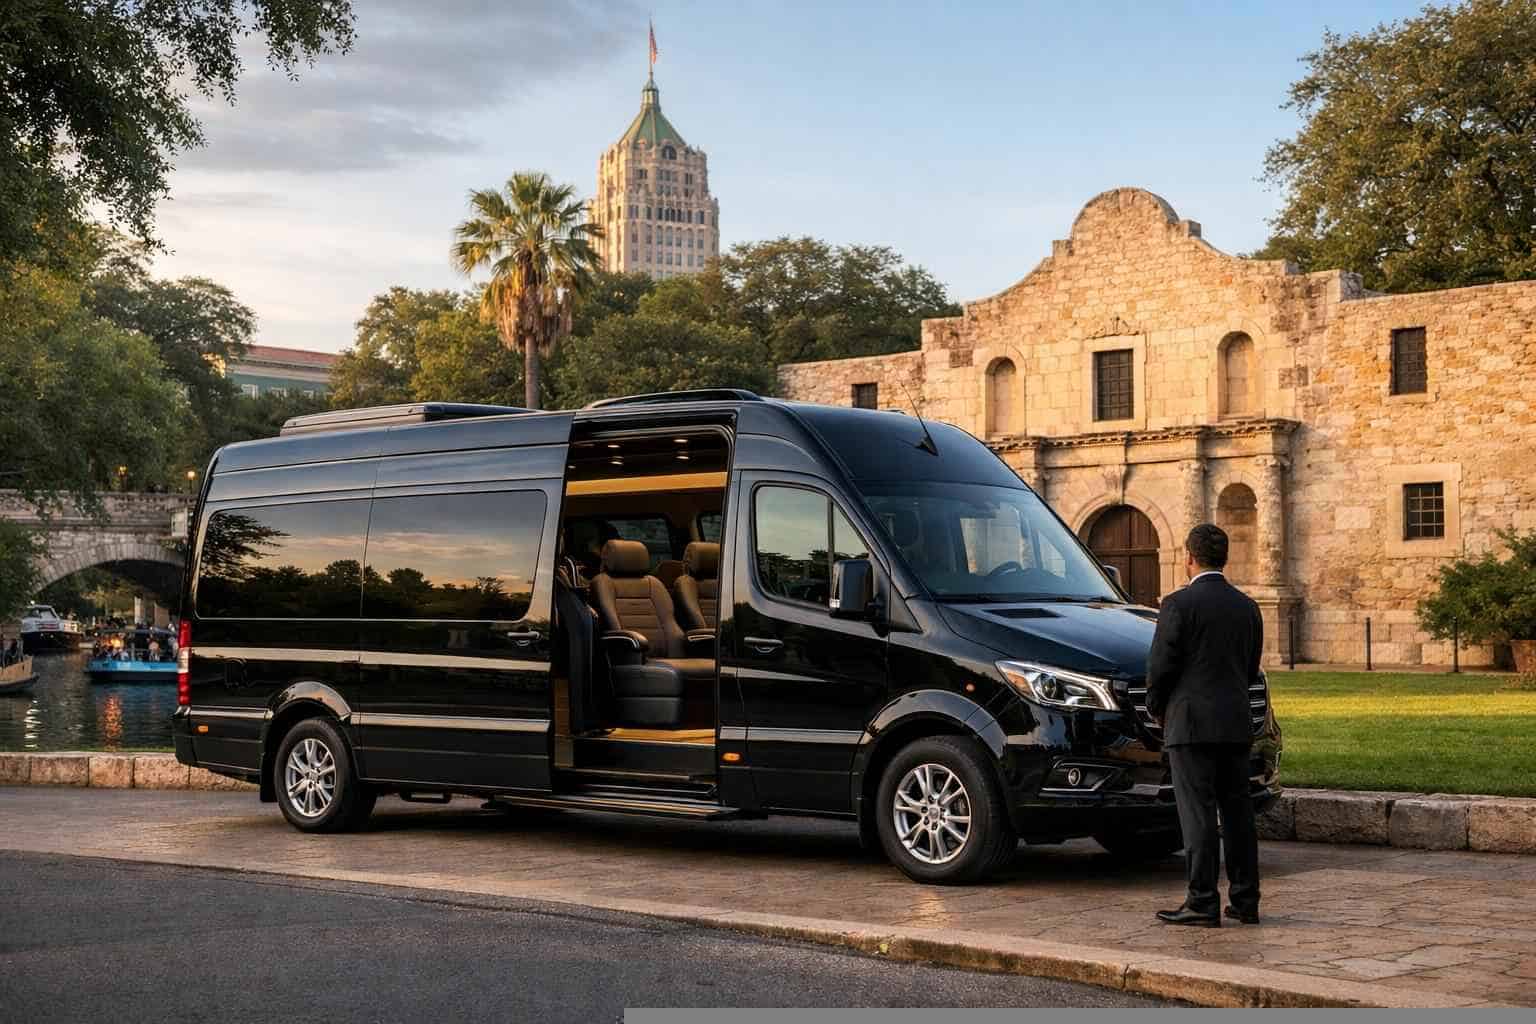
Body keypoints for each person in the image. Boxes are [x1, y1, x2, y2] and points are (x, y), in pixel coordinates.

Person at [1146, 523, 1264, 928]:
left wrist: (1157, 707)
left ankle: (1201, 901)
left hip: (1190, 724)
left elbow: (1160, 666)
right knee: (1238, 814)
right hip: (1235, 722)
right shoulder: (1248, 607)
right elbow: (1250, 668)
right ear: (1224, 558)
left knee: (1197, 815)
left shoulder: (1177, 604)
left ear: (1189, 557)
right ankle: (1246, 900)